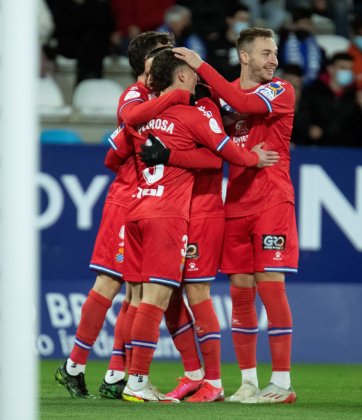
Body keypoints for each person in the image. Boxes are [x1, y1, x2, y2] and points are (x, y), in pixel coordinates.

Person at [121, 48, 278, 403]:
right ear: (180, 76)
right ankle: (141, 379)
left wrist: (169, 153)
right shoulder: (191, 113)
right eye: (191, 71)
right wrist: (253, 158)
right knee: (159, 297)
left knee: (179, 294)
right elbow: (225, 154)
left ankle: (208, 380)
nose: (197, 77)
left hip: (156, 208)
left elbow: (115, 148)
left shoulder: (141, 116)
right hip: (170, 214)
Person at [54, 31, 186, 400]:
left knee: (137, 291)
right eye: (163, 53)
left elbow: (113, 153)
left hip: (149, 201)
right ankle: (75, 364)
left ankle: (116, 374)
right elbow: (115, 149)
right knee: (109, 284)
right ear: (146, 62)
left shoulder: (160, 97)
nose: (171, 58)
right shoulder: (136, 95)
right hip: (127, 200)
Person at [173, 26, 298, 404]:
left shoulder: (280, 90)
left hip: (272, 200)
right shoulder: (223, 94)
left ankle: (281, 383)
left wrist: (201, 65)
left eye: (274, 52)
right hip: (236, 204)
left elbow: (242, 106)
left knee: (269, 286)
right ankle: (247, 382)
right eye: (265, 53)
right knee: (240, 291)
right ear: (244, 56)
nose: (273, 60)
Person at [292, 52, 362, 147]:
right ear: (330, 69)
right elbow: (302, 115)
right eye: (343, 68)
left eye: (350, 69)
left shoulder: (355, 95)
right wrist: (308, 128)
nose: (347, 72)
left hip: (345, 149)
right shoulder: (313, 91)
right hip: (316, 146)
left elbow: (359, 127)